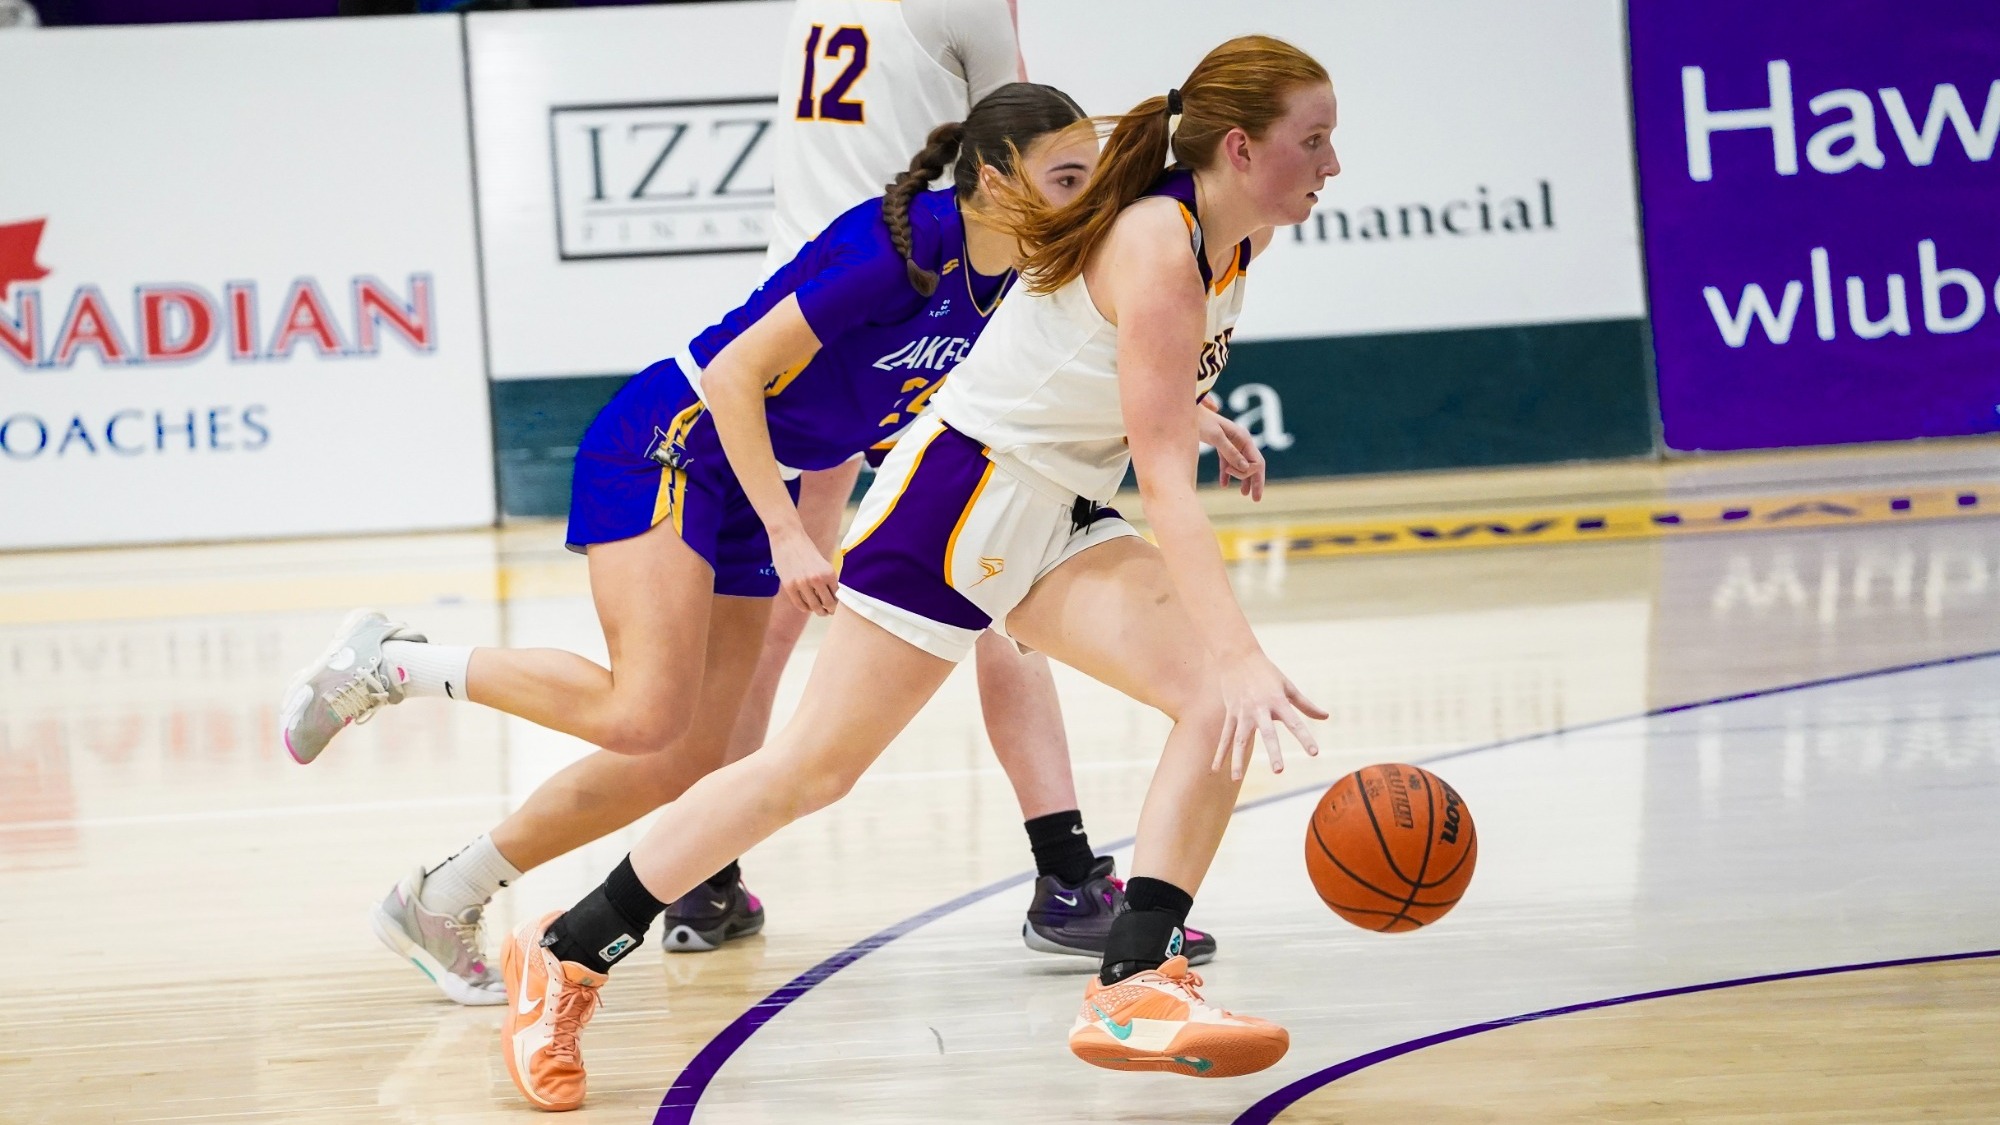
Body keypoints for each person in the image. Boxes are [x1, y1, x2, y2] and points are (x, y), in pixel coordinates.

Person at [498, 34, 1338, 1111]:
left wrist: (1192, 416)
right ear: (1238, 145)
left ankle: (1134, 983)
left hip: (1050, 503)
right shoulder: (1158, 238)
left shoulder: (1231, 242)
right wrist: (1242, 645)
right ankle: (566, 951)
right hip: (957, 500)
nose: (1329, 164)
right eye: (1311, 142)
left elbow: (1098, 355)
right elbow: (1165, 489)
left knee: (1212, 704)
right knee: (808, 772)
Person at [275, 85, 1102, 1012]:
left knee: (693, 755)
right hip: (676, 436)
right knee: (641, 713)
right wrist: (793, 532)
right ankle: (391, 666)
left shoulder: (1016, 282)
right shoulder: (888, 250)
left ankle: (442, 897)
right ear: (993, 177)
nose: (1089, 201)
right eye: (1067, 179)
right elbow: (736, 372)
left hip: (763, 474)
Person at [734, 0, 1216, 972]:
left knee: (790, 599)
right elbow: (1031, 150)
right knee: (1000, 573)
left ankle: (702, 865)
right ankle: (1066, 875)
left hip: (821, 277)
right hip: (927, 286)